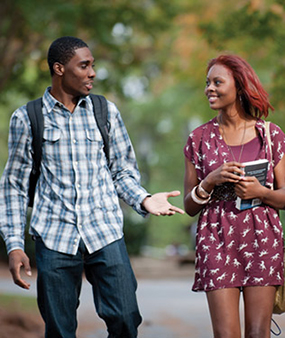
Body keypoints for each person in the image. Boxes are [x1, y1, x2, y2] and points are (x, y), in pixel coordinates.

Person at [0, 36, 184, 338]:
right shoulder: (27, 118)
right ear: (59, 69)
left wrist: (145, 199)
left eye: (93, 65)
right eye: (84, 66)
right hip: (55, 236)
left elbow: (122, 171)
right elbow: (14, 187)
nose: (92, 73)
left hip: (105, 231)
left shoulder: (105, 111)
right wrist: (15, 244)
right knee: (59, 331)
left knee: (126, 318)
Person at [183, 54, 285, 338]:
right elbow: (189, 206)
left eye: (217, 82)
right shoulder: (198, 139)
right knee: (226, 334)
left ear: (239, 87)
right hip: (216, 240)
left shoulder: (270, 135)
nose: (209, 89)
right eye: (207, 83)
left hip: (262, 241)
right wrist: (209, 181)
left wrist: (261, 192)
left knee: (257, 333)